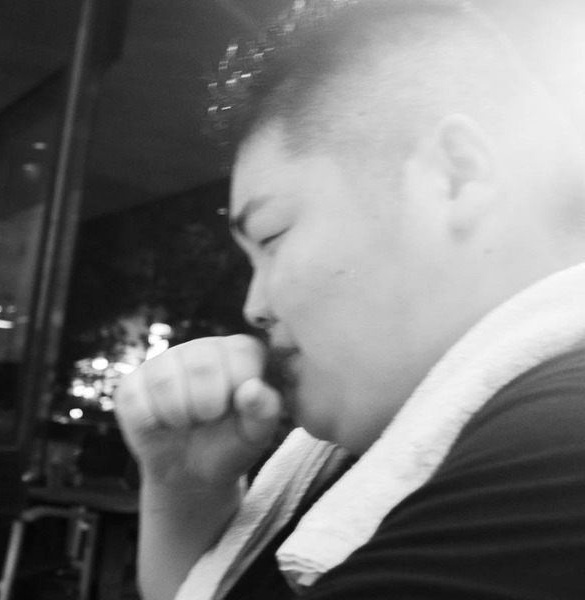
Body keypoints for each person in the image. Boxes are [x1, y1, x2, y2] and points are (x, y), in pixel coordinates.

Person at [115, 1, 585, 599]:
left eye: (272, 236)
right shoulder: (381, 462)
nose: (255, 307)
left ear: (456, 176)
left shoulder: (556, 456)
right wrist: (186, 490)